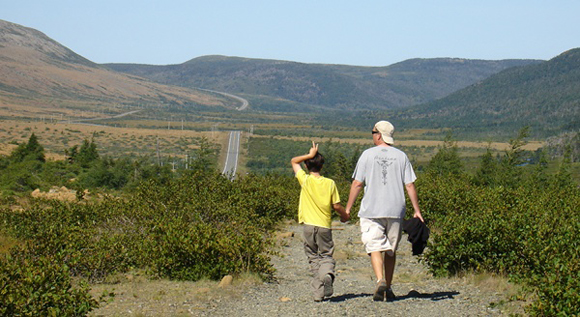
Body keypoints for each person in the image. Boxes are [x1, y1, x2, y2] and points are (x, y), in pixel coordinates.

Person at [345, 120, 424, 302]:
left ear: (378, 135)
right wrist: (417, 210)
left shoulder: (367, 155)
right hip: (396, 209)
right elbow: (410, 184)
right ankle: (388, 286)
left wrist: (348, 208)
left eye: (373, 132)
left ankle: (380, 280)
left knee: (374, 245)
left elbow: (357, 183)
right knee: (390, 249)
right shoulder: (401, 156)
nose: (372, 135)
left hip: (372, 208)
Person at [291, 141, 349, 302]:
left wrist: (309, 154)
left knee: (313, 257)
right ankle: (327, 274)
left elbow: (293, 161)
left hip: (308, 225)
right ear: (322, 166)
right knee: (326, 255)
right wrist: (345, 216)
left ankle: (318, 293)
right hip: (324, 225)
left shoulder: (305, 180)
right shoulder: (330, 183)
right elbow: (336, 205)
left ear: (307, 165)